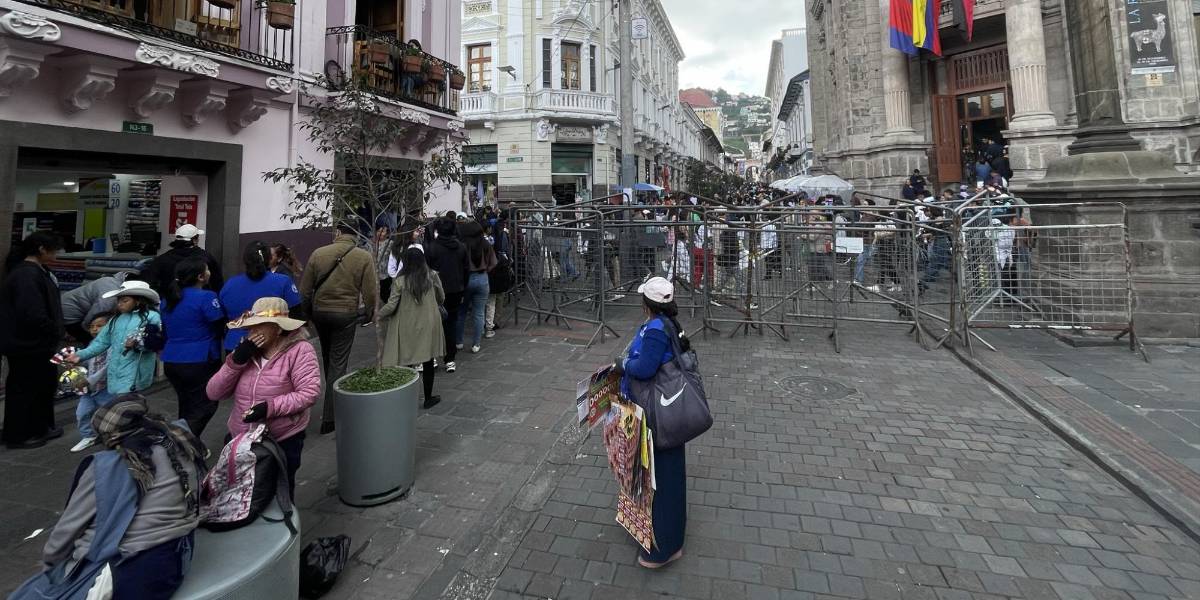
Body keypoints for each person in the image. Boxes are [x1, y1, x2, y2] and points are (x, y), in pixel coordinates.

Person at [10, 399, 205, 600]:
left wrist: (52, 569)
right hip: (177, 554)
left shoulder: (109, 466)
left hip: (131, 571)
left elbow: (67, 531)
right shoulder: (179, 442)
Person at [206, 297, 321, 495]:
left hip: (281, 438)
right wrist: (235, 361)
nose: (253, 332)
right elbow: (213, 392)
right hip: (241, 438)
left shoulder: (300, 351)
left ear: (278, 328)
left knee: (278, 491)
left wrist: (269, 407)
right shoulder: (246, 351)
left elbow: (309, 393)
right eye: (251, 327)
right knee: (242, 494)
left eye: (260, 326)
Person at [613, 277, 690, 569]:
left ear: (647, 304)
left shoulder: (657, 329)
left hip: (658, 417)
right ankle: (670, 539)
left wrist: (623, 365)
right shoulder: (667, 324)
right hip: (667, 413)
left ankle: (665, 547)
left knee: (661, 480)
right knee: (666, 476)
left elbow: (645, 369)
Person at [299, 224, 377, 434]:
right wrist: (369, 313)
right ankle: (331, 418)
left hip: (320, 312)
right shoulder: (363, 257)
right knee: (338, 362)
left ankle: (330, 398)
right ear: (356, 236)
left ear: (338, 233)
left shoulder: (319, 253)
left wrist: (305, 314)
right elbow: (370, 291)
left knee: (328, 355)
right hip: (345, 313)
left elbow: (305, 289)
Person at [0, 232, 66, 449]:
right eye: (54, 249)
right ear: (41, 249)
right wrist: (52, 330)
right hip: (28, 344)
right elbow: (32, 313)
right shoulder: (26, 275)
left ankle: (40, 427)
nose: (57, 253)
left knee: (42, 387)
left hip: (36, 343)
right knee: (25, 389)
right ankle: (19, 434)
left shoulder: (37, 271)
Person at [66, 281, 163, 401]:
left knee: (125, 403)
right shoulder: (115, 320)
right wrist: (80, 355)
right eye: (119, 301)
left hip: (136, 370)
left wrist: (138, 344)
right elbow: (101, 342)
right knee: (126, 406)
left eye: (125, 301)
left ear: (138, 301)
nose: (120, 304)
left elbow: (158, 341)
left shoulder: (152, 316)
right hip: (115, 371)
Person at [160, 257, 225, 436]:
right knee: (205, 405)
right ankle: (181, 444)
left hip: (172, 359)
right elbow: (219, 325)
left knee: (186, 404)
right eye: (207, 270)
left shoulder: (168, 300)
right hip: (200, 359)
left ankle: (187, 442)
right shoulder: (207, 297)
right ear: (201, 277)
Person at [380, 247, 446, 409]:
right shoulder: (432, 276)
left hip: (407, 323)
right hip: (429, 323)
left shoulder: (400, 281)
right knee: (429, 360)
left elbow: (391, 305)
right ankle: (428, 397)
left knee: (406, 359)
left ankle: (406, 398)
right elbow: (441, 297)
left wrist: (377, 314)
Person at [220, 241, 302, 352]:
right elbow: (296, 314)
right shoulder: (283, 282)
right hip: (271, 344)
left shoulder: (229, 285)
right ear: (269, 259)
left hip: (235, 344)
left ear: (245, 260)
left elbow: (222, 319)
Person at [425, 218, 469, 373]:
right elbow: (466, 270)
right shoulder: (461, 248)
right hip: (456, 290)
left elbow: (427, 272)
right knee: (451, 324)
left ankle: (433, 357)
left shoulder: (431, 248)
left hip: (435, 292)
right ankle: (450, 359)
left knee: (433, 324)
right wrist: (463, 288)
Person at [69, 312, 113, 452]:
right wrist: (77, 361)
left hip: (106, 387)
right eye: (92, 326)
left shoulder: (113, 345)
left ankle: (114, 436)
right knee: (82, 413)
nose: (94, 329)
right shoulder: (92, 343)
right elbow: (89, 361)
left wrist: (89, 380)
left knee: (109, 414)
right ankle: (89, 436)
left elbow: (108, 367)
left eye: (99, 326)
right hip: (89, 388)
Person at [139, 224, 224, 295]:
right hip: (200, 303)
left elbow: (149, 282)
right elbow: (217, 281)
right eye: (197, 238)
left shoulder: (162, 259)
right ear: (194, 240)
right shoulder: (206, 257)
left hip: (169, 304)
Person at [456, 221, 497, 354]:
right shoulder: (486, 244)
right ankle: (476, 344)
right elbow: (493, 262)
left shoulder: (462, 245)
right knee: (479, 313)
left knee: (461, 312)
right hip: (482, 278)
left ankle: (459, 342)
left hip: (466, 279)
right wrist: (486, 271)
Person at [61, 271, 133, 344]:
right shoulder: (110, 292)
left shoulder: (115, 280)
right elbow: (94, 318)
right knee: (95, 342)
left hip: (73, 308)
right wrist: (89, 331)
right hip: (70, 314)